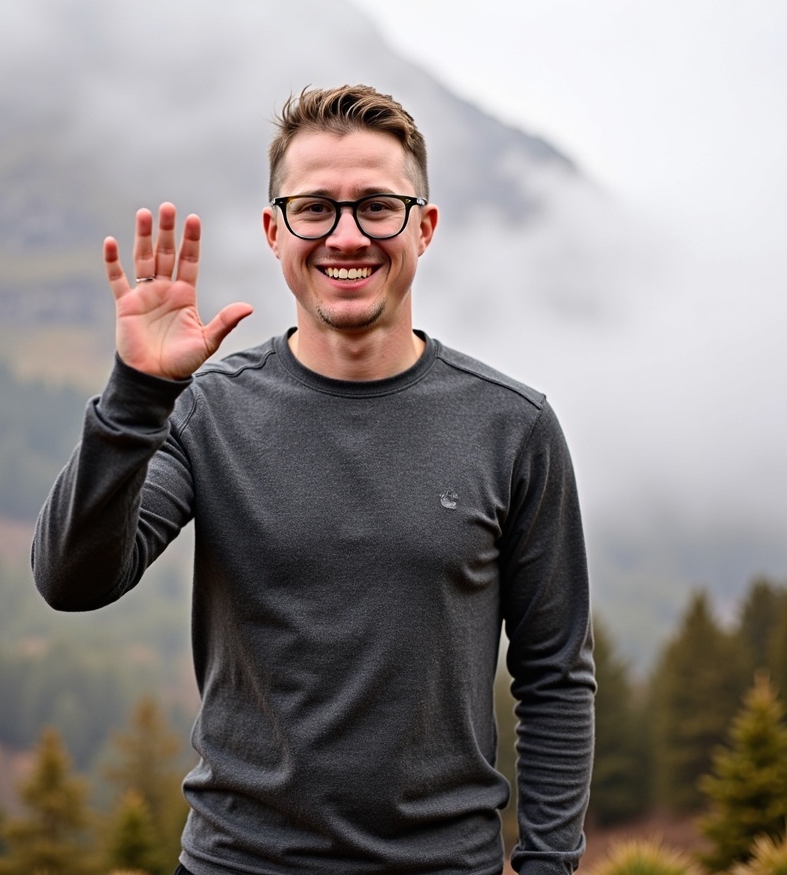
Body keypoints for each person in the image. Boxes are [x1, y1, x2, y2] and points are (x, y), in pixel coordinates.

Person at [33, 85, 595, 875]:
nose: (347, 235)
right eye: (315, 209)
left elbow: (555, 675)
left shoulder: (513, 428)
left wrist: (547, 868)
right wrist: (137, 393)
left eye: (377, 206)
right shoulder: (207, 414)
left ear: (424, 227)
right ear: (274, 230)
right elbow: (74, 580)